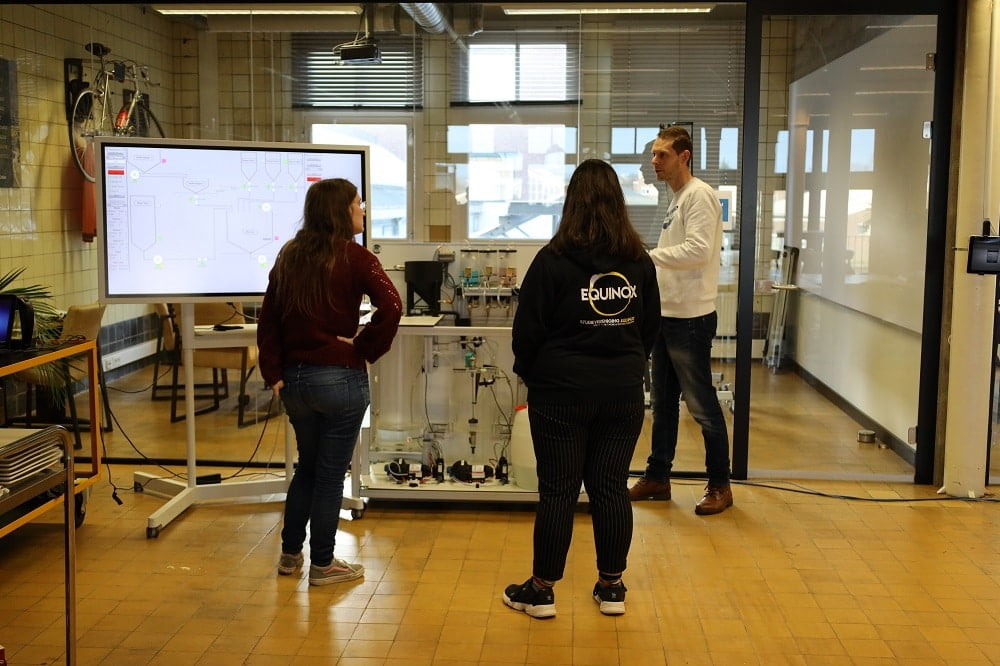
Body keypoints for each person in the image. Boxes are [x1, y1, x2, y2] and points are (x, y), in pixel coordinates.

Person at [503, 159, 660, 618]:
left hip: (560, 394)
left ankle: (542, 590)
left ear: (571, 203)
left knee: (559, 491)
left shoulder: (552, 261)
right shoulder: (638, 263)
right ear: (619, 203)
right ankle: (612, 588)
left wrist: (535, 375)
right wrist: (629, 365)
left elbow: (526, 331)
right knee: (611, 487)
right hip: (621, 393)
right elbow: (649, 327)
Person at [257, 178, 402, 585]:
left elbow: (268, 320)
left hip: (296, 383)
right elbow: (392, 306)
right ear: (342, 211)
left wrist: (274, 374)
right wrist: (363, 348)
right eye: (359, 204)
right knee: (329, 473)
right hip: (340, 380)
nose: (364, 210)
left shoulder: (289, 256)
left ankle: (290, 557)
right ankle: (323, 564)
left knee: (307, 468)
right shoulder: (356, 257)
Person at [629, 124, 733, 515]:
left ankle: (720, 485)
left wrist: (648, 255)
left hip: (690, 319)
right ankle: (658, 477)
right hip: (667, 315)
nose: (654, 162)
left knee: (703, 405)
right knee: (663, 405)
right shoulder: (674, 199)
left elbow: (698, 250)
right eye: (654, 155)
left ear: (684, 156)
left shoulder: (699, 196)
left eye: (662, 155)